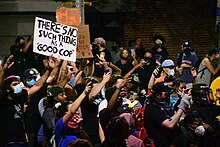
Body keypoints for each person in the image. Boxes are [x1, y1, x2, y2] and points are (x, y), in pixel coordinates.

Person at [0, 59, 52, 146]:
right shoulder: (3, 100)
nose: (18, 86)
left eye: (18, 83)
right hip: (7, 141)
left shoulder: (20, 98)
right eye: (14, 84)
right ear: (8, 89)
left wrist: (48, 70)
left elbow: (37, 85)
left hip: (21, 140)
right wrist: (2, 71)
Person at [144, 82, 191, 147]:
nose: (167, 94)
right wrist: (183, 105)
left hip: (171, 139)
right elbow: (170, 124)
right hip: (160, 143)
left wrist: (182, 99)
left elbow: (174, 118)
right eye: (165, 93)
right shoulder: (153, 108)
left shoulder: (165, 106)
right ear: (158, 95)